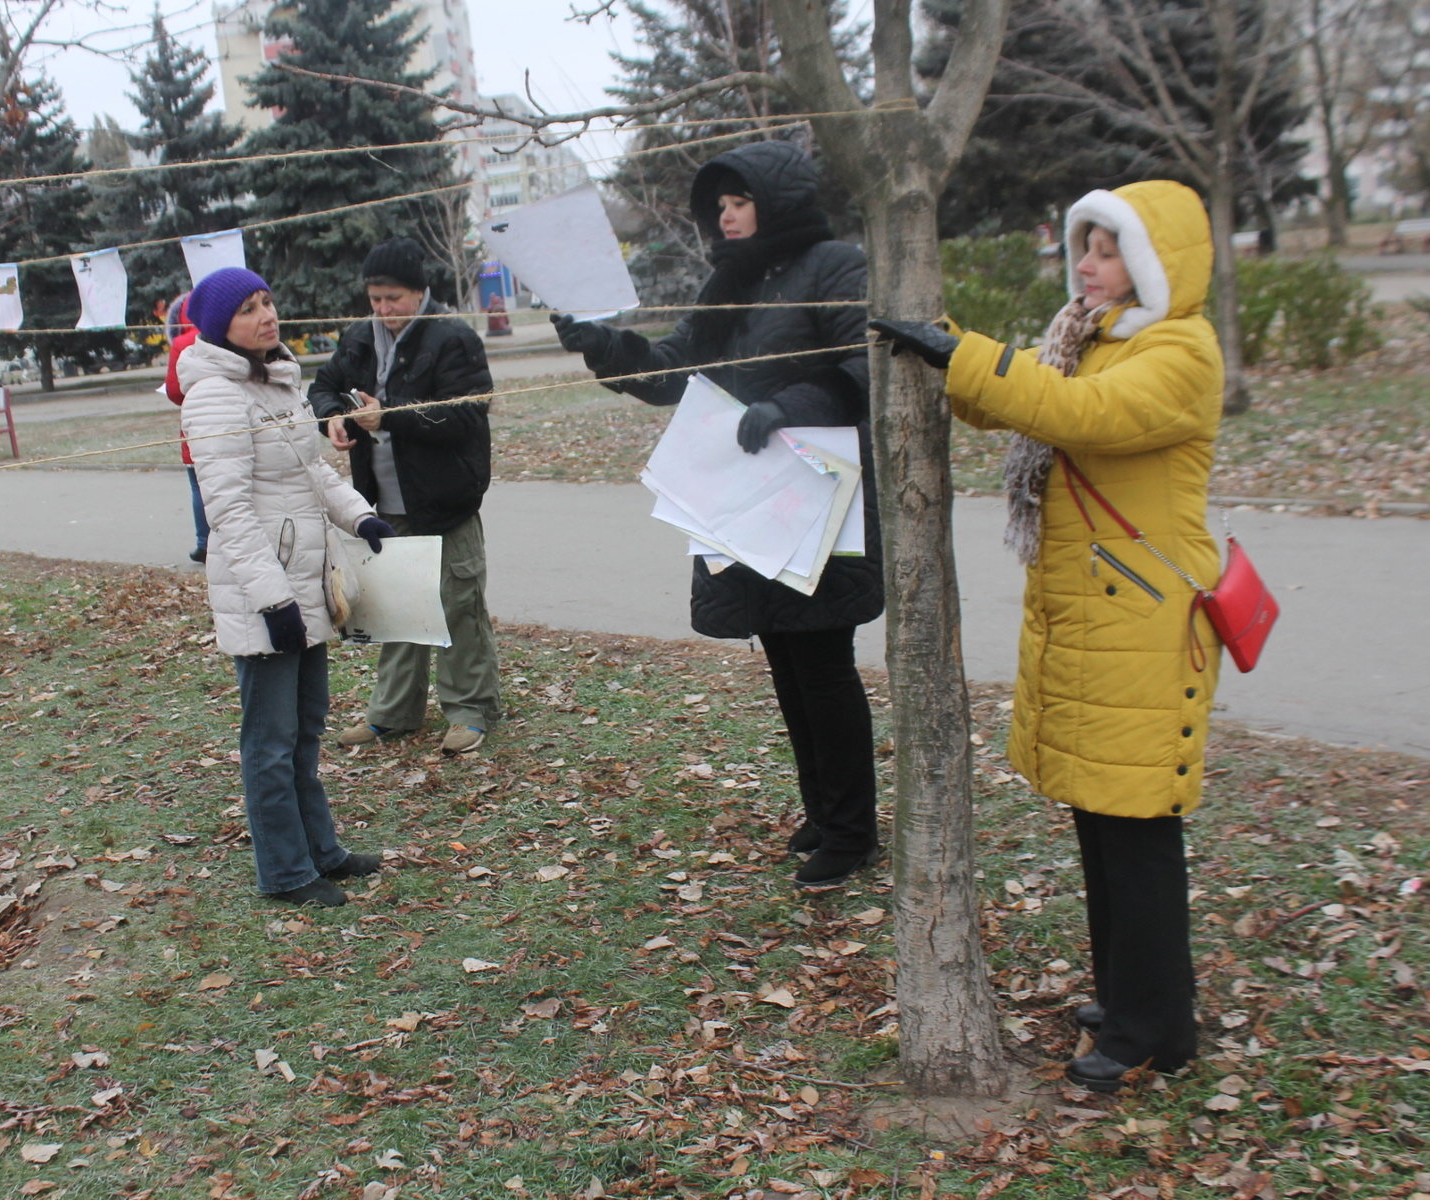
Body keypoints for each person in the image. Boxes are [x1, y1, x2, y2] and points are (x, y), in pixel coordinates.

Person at [871, 179, 1224, 1093]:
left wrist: (967, 355)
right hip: (1101, 618)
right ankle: (1136, 998)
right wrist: (937, 335)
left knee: (1137, 827)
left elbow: (1079, 417)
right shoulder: (1089, 340)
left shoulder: (1179, 351)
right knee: (1102, 821)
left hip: (1146, 627)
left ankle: (1156, 1029)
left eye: (1108, 251)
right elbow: (1012, 400)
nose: (1088, 264)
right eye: (1085, 247)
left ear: (1154, 263)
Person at [550, 139, 885, 889]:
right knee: (788, 662)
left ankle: (853, 831)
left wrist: (786, 407)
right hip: (744, 499)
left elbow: (864, 365)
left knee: (824, 665)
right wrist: (604, 346)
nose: (727, 218)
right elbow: (673, 370)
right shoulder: (729, 281)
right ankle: (824, 811)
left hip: (818, 497)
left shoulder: (836, 265)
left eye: (740, 203)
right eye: (721, 207)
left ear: (778, 202)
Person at [177, 266, 396, 908]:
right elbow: (230, 512)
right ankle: (285, 871)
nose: (266, 315)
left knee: (305, 729)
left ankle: (320, 849)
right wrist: (272, 601)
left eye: (268, 300)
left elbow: (311, 474)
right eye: (248, 309)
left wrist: (359, 515)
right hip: (266, 590)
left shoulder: (276, 378)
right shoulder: (217, 395)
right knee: (270, 742)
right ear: (221, 327)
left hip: (306, 578)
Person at [308, 236, 502, 756]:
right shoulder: (358, 340)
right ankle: (394, 713)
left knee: (457, 606)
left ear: (419, 292)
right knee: (395, 609)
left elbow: (467, 412)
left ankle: (470, 711)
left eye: (393, 298)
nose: (383, 309)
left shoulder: (452, 338)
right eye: (375, 299)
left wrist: (389, 416)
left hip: (446, 499)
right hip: (382, 503)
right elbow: (323, 387)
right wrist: (334, 417)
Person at [163, 290, 210, 563]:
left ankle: (204, 541)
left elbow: (173, 390)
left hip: (194, 424)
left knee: (198, 486)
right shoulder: (226, 335)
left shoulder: (181, 343)